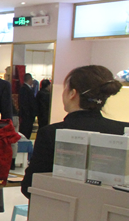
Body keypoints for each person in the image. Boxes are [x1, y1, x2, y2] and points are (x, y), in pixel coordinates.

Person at [22, 66, 128, 198]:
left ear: (72, 93)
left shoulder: (51, 133)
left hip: (60, 207)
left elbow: (30, 186)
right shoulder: (123, 131)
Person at [18, 73, 38, 139]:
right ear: (30, 79)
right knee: (25, 133)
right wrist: (28, 114)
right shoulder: (24, 89)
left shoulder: (26, 89)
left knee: (27, 132)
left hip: (28, 116)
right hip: (27, 117)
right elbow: (24, 104)